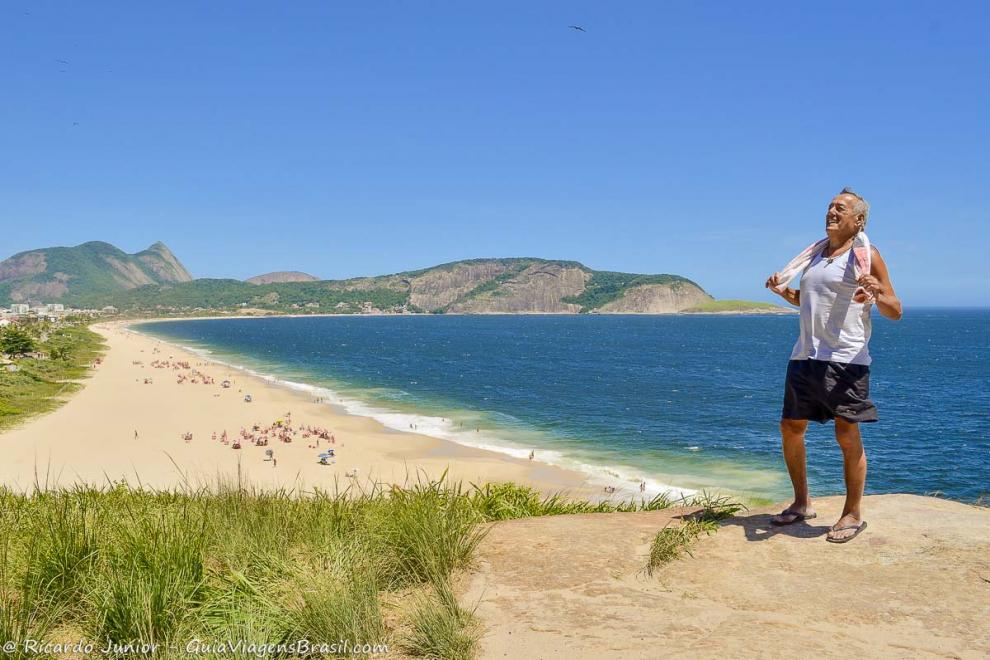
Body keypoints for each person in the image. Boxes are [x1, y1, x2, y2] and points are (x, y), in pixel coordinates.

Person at [765, 188, 901, 543]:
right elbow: (812, 302)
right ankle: (801, 502)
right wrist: (785, 294)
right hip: (805, 355)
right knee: (790, 428)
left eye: (839, 208)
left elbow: (894, 310)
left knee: (846, 433)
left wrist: (876, 290)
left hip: (845, 359)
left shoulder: (867, 255)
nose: (830, 211)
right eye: (828, 206)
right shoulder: (815, 255)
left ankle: (853, 513)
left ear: (858, 220)